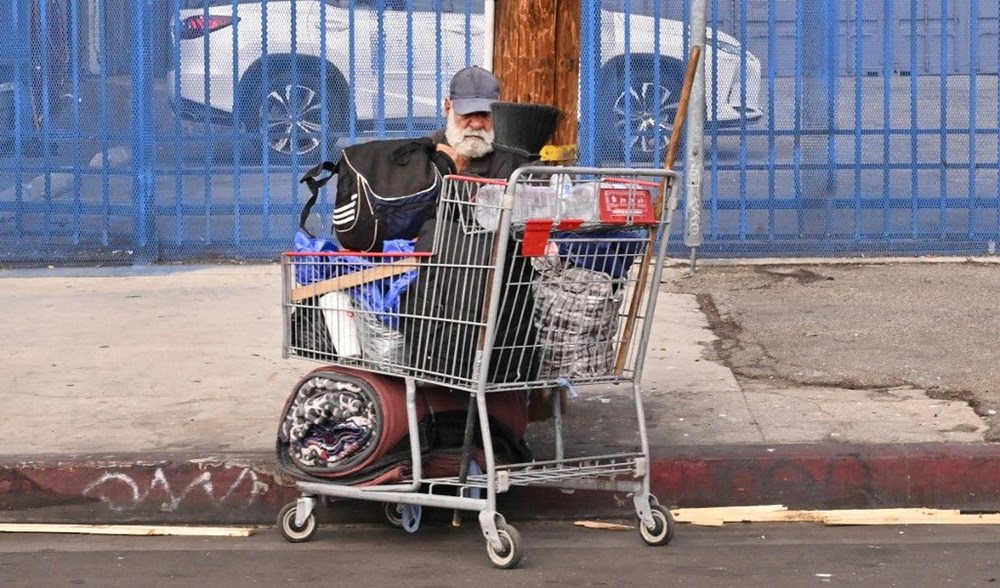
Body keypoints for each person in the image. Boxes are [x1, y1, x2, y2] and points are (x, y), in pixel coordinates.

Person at [429, 66, 533, 179]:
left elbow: (541, 190)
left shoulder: (517, 153)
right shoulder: (430, 148)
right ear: (448, 108)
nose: (477, 124)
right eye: (466, 113)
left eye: (486, 114)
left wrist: (459, 173)